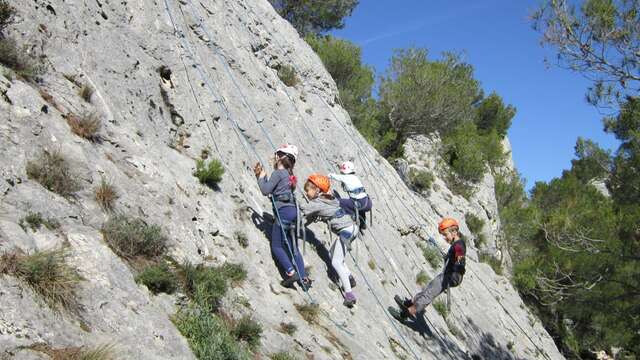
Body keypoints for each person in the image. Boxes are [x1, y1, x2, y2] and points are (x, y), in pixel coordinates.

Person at [254, 144, 310, 288]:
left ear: (280, 157)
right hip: (293, 212)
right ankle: (304, 278)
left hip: (283, 212)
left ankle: (291, 272)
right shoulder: (290, 176)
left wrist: (260, 177)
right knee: (293, 246)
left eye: (276, 155)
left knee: (277, 245)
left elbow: (266, 190)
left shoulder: (278, 173)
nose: (274, 157)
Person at [390, 218, 466, 321]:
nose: (444, 238)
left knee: (428, 295)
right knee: (428, 288)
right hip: (447, 275)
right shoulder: (456, 244)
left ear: (454, 232)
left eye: (445, 234)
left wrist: (458, 263)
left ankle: (403, 315)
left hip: (451, 277)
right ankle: (408, 303)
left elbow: (460, 254)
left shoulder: (459, 245)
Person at [300, 174, 359, 307]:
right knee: (333, 254)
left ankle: (349, 295)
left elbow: (303, 211)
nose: (306, 192)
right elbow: (316, 214)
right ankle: (349, 277)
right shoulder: (330, 198)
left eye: (308, 190)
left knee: (336, 262)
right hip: (351, 228)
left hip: (346, 231)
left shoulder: (318, 202)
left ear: (318, 190)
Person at [329, 161, 372, 230]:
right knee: (356, 206)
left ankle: (351, 216)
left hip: (360, 203)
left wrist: (328, 175)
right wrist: (340, 165)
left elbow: (335, 176)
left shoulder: (346, 178)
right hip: (367, 203)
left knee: (338, 201)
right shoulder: (354, 178)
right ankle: (362, 224)